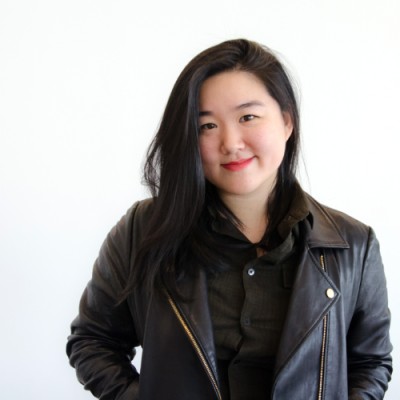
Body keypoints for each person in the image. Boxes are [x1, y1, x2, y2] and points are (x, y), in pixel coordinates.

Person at [66, 39, 392, 399]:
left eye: (247, 117)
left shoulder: (352, 245)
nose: (231, 143)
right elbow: (92, 340)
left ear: (287, 121)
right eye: (207, 126)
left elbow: (370, 363)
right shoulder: (143, 230)